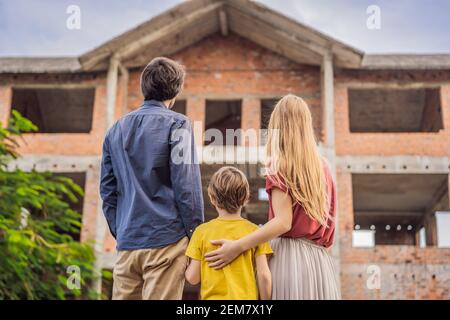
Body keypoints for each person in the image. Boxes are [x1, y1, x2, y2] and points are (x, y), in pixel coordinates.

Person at [205, 94, 340, 300]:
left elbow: (283, 222)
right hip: (319, 262)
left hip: (289, 260)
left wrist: (237, 246)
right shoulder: (324, 167)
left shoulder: (280, 164)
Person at [100, 57, 204, 300]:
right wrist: (195, 236)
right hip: (166, 241)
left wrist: (121, 231)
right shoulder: (179, 124)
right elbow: (186, 186)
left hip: (128, 242)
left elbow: (107, 190)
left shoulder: (115, 129)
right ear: (176, 91)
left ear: (143, 88)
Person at [185, 166, 272, 300]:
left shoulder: (201, 232)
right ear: (246, 198)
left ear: (212, 198)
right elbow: (264, 275)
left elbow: (193, 278)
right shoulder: (256, 233)